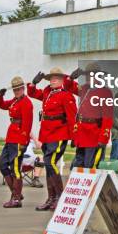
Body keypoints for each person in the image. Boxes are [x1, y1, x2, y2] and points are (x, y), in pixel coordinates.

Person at [27, 67, 77, 211]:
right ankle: (51, 198)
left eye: (56, 78)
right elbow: (32, 93)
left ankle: (60, 197)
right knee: (49, 166)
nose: (52, 80)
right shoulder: (47, 92)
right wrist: (33, 83)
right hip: (47, 134)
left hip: (59, 134)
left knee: (50, 162)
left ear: (62, 80)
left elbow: (72, 117)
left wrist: (74, 136)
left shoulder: (66, 95)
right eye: (51, 78)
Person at [0, 76, 33, 208]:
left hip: (18, 139)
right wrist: (0, 96)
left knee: (15, 168)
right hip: (11, 137)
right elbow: (2, 105)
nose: (17, 91)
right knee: (2, 165)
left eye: (19, 89)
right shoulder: (15, 101)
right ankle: (16, 193)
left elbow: (27, 124)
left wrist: (24, 141)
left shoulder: (26, 103)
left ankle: (16, 199)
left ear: (23, 88)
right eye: (15, 89)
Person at [67, 62, 114, 169]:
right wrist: (70, 78)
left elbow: (108, 118)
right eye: (88, 75)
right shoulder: (85, 88)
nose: (90, 77)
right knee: (78, 164)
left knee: (90, 165)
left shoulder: (105, 92)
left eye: (93, 74)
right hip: (82, 132)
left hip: (94, 134)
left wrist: (103, 138)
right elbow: (68, 87)